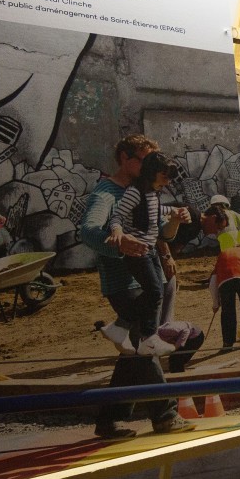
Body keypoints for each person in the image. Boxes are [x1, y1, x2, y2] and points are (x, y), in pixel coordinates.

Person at [79, 133, 193, 440]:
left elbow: (159, 235)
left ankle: (109, 420)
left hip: (145, 276)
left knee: (133, 351)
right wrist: (120, 245)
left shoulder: (140, 190)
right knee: (146, 346)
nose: (150, 166)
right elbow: (88, 231)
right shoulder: (107, 193)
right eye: (143, 160)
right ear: (124, 159)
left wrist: (176, 222)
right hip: (124, 282)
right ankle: (165, 415)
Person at [105, 151, 180, 357]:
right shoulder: (134, 192)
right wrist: (118, 232)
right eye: (164, 176)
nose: (167, 181)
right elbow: (117, 216)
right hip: (137, 252)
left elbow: (155, 209)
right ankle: (147, 338)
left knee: (159, 292)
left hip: (151, 250)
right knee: (154, 292)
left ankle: (121, 327)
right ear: (152, 172)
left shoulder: (152, 194)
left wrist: (173, 212)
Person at [203, 198, 240, 352]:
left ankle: (228, 343)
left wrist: (215, 303)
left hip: (225, 262)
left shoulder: (215, 220)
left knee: (228, 309)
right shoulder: (233, 214)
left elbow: (213, 280)